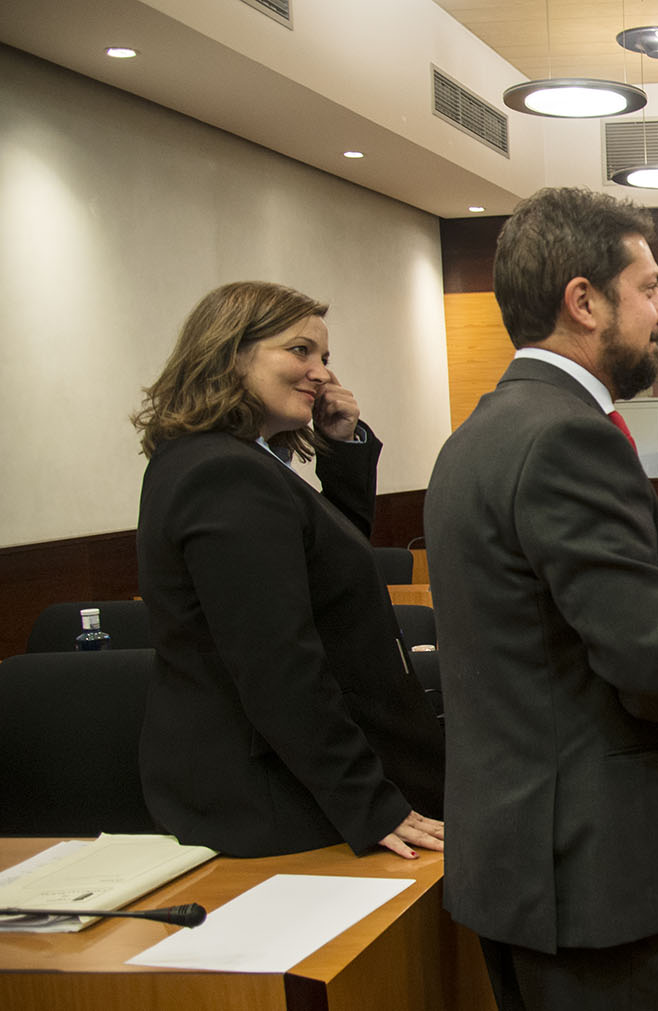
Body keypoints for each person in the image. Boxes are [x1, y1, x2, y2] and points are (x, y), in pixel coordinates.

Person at [424, 187, 658, 1011]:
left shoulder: (478, 432)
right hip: (598, 875)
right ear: (583, 300)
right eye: (649, 288)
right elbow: (649, 656)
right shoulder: (569, 436)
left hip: (526, 863)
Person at [132, 280, 445, 860]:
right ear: (230, 353)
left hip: (289, 779)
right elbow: (277, 661)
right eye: (300, 351)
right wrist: (368, 800)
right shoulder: (226, 473)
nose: (322, 372)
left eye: (325, 357)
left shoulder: (228, 460)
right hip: (276, 796)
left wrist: (342, 448)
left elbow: (328, 575)